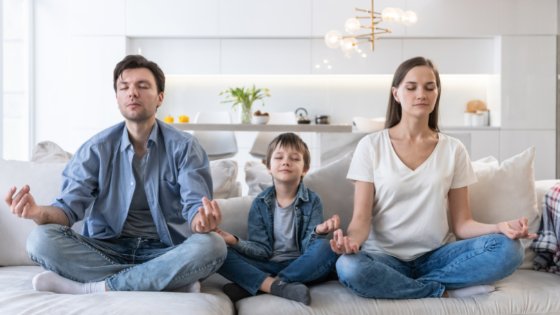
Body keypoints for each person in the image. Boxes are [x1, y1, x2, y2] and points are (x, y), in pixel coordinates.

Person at [4, 54, 227, 294]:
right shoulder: (95, 149)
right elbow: (68, 210)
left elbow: (196, 208)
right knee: (40, 240)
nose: (132, 93)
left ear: (160, 97)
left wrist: (201, 221)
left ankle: (96, 287)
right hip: (105, 250)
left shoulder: (185, 147)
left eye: (143, 86)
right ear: (117, 98)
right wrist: (38, 213)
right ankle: (163, 279)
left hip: (166, 250)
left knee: (212, 245)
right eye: (125, 87)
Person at [330, 56, 535, 299]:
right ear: (396, 93)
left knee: (509, 250)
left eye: (430, 87)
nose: (421, 94)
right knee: (348, 266)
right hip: (384, 258)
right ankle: (441, 290)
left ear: (437, 93)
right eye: (411, 87)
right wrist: (351, 242)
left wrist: (499, 227)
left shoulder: (453, 148)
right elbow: (361, 219)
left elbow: (462, 224)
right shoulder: (371, 146)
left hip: (438, 256)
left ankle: (404, 287)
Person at [217, 133, 339, 305]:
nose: (285, 162)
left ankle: (265, 285)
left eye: (295, 158)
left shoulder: (312, 201)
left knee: (327, 247)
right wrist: (234, 241)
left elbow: (308, 249)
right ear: (268, 166)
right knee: (219, 252)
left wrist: (318, 232)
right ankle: (277, 285)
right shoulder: (260, 203)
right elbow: (262, 250)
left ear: (305, 168)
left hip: (302, 264)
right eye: (279, 157)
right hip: (267, 264)